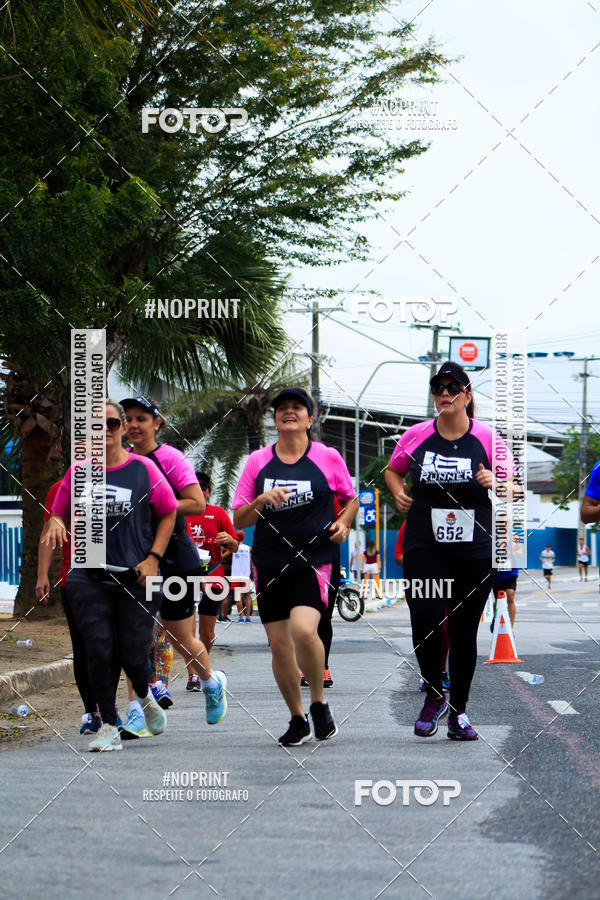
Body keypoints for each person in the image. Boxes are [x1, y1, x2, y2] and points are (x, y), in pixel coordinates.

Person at [385, 361, 517, 741]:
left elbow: (515, 489)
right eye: (438, 388)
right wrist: (397, 492)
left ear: (467, 395)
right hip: (425, 543)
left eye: (452, 387)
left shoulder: (488, 438)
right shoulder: (416, 435)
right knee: (425, 620)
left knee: (462, 631)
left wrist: (495, 482)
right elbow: (393, 470)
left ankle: (459, 712)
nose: (444, 394)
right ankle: (433, 693)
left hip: (473, 549)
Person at [42, 402, 177, 752]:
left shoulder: (144, 470)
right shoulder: (78, 472)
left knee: (133, 655)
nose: (104, 430)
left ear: (123, 429)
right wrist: (56, 521)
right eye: (96, 425)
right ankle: (109, 725)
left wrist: (153, 559)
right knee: (98, 649)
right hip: (88, 576)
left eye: (112, 423)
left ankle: (144, 697)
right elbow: (58, 512)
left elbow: (169, 512)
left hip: (137, 576)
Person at [232, 387, 358, 746]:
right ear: (275, 420)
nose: (289, 412)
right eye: (282, 408)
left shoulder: (327, 457)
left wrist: (343, 523)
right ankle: (297, 718)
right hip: (270, 562)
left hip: (314, 560)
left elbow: (350, 500)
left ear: (309, 419)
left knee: (304, 631)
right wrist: (261, 499)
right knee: (279, 645)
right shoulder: (257, 462)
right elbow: (239, 517)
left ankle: (318, 701)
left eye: (297, 408)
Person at [120, 397, 227, 727]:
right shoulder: (121, 461)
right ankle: (138, 711)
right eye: (128, 419)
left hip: (177, 559)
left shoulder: (170, 457)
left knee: (181, 638)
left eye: (141, 418)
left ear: (157, 423)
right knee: (133, 637)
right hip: (136, 560)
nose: (133, 425)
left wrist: (153, 503)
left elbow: (196, 503)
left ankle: (211, 684)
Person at [36, 481, 122, 735]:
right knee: (83, 647)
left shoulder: (119, 481)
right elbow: (49, 533)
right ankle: (91, 713)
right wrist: (42, 575)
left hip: (115, 577)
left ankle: (109, 708)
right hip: (74, 578)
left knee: (112, 646)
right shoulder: (60, 488)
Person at [185, 471, 239, 652]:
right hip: (186, 574)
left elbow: (235, 547)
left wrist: (229, 540)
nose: (197, 490)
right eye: (193, 486)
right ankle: (193, 669)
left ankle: (202, 664)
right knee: (188, 632)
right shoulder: (180, 513)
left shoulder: (218, 513)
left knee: (207, 634)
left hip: (212, 574)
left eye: (202, 487)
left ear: (207, 492)